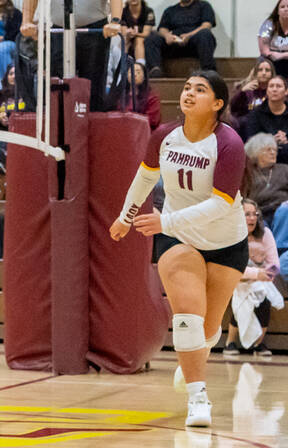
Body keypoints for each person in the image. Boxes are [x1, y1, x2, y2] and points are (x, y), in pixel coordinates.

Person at [110, 70, 248, 428]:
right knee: (187, 314)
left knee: (208, 329)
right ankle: (198, 397)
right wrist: (126, 217)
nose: (189, 93)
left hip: (225, 242)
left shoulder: (229, 143)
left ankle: (192, 360)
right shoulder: (164, 136)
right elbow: (144, 177)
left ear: (217, 104)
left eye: (200, 90)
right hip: (178, 238)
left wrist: (164, 222)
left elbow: (220, 205)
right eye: (186, 87)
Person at [223, 201, 281, 357]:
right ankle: (230, 342)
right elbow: (232, 268)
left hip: (262, 279)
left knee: (263, 298)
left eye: (254, 214)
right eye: (247, 214)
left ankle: (258, 343)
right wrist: (255, 274)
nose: (252, 218)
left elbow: (275, 264)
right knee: (242, 297)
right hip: (236, 279)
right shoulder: (230, 236)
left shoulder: (265, 233)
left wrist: (266, 274)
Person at [146, 0, 217, 77]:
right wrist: (167, 36)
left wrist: (190, 35)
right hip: (174, 45)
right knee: (151, 37)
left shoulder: (204, 6)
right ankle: (155, 70)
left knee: (205, 34)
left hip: (195, 45)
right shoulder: (170, 10)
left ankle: (208, 72)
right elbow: (162, 28)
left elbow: (207, 25)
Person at [243, 133, 288, 251]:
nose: (273, 153)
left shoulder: (284, 169)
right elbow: (243, 197)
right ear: (256, 152)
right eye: (268, 150)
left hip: (282, 213)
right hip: (259, 213)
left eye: (274, 150)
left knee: (285, 209)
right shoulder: (248, 173)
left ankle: (278, 249)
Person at [243, 75, 288, 165]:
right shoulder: (256, 113)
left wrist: (286, 142)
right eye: (271, 86)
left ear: (286, 91)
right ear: (267, 91)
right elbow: (251, 142)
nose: (274, 89)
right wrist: (270, 141)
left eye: (278, 86)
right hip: (263, 162)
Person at [115, 62, 161, 130]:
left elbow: (153, 120)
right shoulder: (120, 95)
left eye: (138, 72)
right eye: (131, 72)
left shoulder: (152, 97)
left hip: (143, 132)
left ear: (144, 77)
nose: (134, 74)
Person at [231, 57, 275, 128]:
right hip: (248, 127)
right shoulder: (247, 90)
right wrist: (242, 92)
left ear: (272, 74)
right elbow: (233, 109)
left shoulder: (275, 91)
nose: (264, 73)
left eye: (267, 70)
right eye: (260, 70)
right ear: (255, 73)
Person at [120, 0, 155, 64]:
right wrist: (128, 34)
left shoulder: (148, 11)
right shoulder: (123, 11)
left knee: (138, 40)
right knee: (125, 40)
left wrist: (136, 34)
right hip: (128, 36)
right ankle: (122, 67)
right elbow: (123, 32)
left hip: (143, 37)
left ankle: (140, 65)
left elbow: (146, 33)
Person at [257, 0, 288, 78]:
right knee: (262, 61)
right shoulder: (269, 24)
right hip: (272, 56)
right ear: (277, 11)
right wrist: (273, 55)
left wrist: (283, 55)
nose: (286, 9)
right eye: (282, 7)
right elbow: (264, 50)